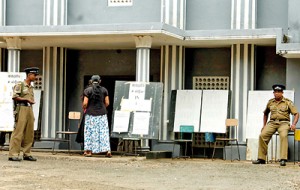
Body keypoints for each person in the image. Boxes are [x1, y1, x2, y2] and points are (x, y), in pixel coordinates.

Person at [252, 84, 299, 166]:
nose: (276, 93)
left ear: (282, 93)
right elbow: (265, 113)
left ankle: (283, 159)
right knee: (262, 135)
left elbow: (296, 114)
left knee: (283, 136)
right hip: (272, 123)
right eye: (275, 92)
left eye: (278, 92)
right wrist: (264, 125)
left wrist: (294, 124)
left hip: (284, 123)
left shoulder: (287, 102)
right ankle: (261, 158)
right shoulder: (270, 102)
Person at [8, 67, 39, 161]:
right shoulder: (20, 84)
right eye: (34, 75)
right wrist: (26, 99)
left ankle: (27, 153)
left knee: (29, 132)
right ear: (29, 75)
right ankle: (13, 154)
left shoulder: (31, 86)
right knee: (18, 131)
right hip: (21, 108)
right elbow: (15, 96)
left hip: (29, 108)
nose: (35, 77)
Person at [82, 75, 112, 157]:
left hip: (90, 114)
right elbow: (107, 103)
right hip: (102, 114)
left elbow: (85, 103)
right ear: (100, 81)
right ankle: (107, 151)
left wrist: (85, 108)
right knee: (103, 132)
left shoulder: (88, 90)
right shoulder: (104, 90)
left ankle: (88, 151)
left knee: (89, 132)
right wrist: (102, 108)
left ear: (91, 81)